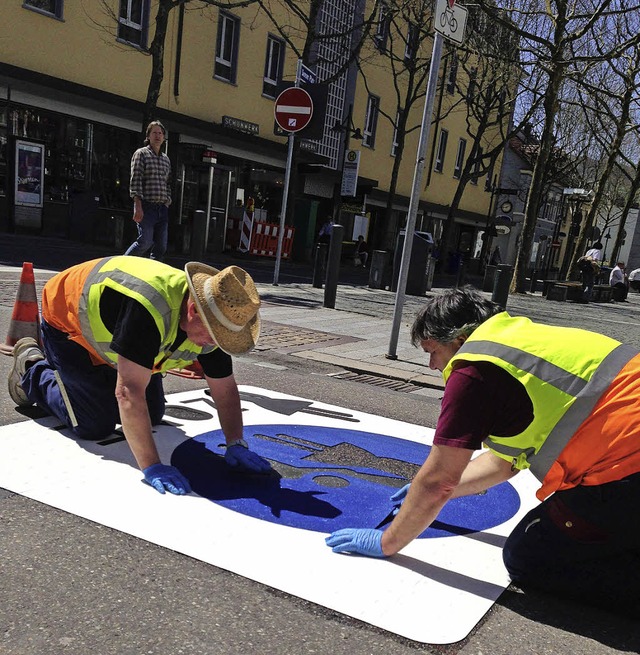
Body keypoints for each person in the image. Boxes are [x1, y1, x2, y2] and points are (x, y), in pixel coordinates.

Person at [326, 286, 640, 617]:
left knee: (529, 556)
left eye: (433, 351)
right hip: (627, 459)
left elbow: (438, 480)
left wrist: (387, 541)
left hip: (627, 470)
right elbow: (504, 462)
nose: (433, 365)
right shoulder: (521, 340)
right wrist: (445, 492)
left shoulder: (474, 369)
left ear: (459, 339)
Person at [8, 256, 272, 495]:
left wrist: (235, 442)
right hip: (68, 319)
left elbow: (224, 388)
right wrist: (153, 466)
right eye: (213, 336)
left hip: (121, 335)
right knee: (93, 425)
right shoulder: (147, 309)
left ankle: (96, 378)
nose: (210, 345)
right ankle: (31, 367)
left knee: (152, 415)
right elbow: (128, 393)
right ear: (193, 310)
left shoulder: (215, 320)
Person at [124, 120, 172, 262]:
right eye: (154, 133)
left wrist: (168, 201)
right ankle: (121, 266)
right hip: (147, 205)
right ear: (148, 136)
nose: (157, 136)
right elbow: (136, 179)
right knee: (145, 242)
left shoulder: (166, 159)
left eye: (160, 133)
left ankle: (152, 277)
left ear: (163, 137)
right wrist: (137, 205)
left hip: (162, 207)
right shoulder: (141, 154)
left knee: (161, 246)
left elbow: (168, 182)